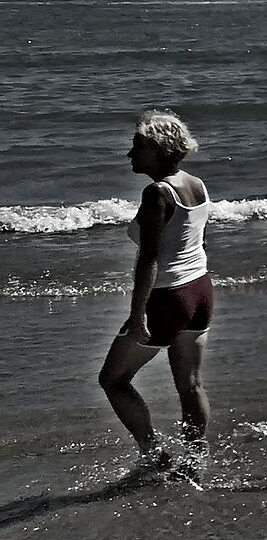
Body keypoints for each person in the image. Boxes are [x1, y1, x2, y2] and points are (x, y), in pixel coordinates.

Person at [98, 111, 213, 466]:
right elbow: (195, 239)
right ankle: (195, 460)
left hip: (167, 298)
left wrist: (137, 316)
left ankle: (155, 455)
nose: (130, 154)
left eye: (138, 147)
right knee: (190, 385)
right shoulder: (196, 184)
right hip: (200, 291)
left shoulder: (156, 193)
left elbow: (149, 258)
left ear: (159, 150)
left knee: (113, 380)